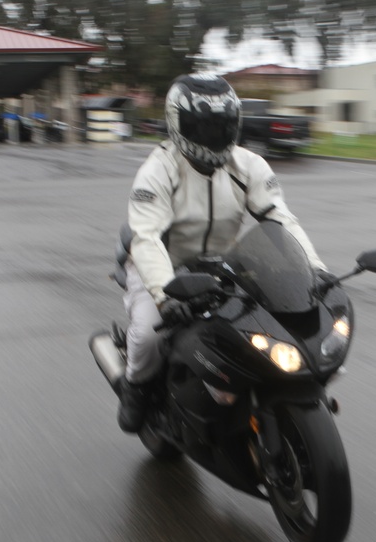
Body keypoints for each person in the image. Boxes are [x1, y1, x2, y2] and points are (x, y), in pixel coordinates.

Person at [116, 73, 328, 433]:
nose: (213, 136)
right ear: (177, 123)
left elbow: (280, 218)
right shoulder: (158, 170)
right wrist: (164, 294)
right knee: (149, 333)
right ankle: (134, 389)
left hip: (222, 266)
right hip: (162, 267)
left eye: (222, 126)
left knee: (269, 326)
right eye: (201, 126)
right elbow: (147, 236)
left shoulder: (250, 166)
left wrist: (315, 270)